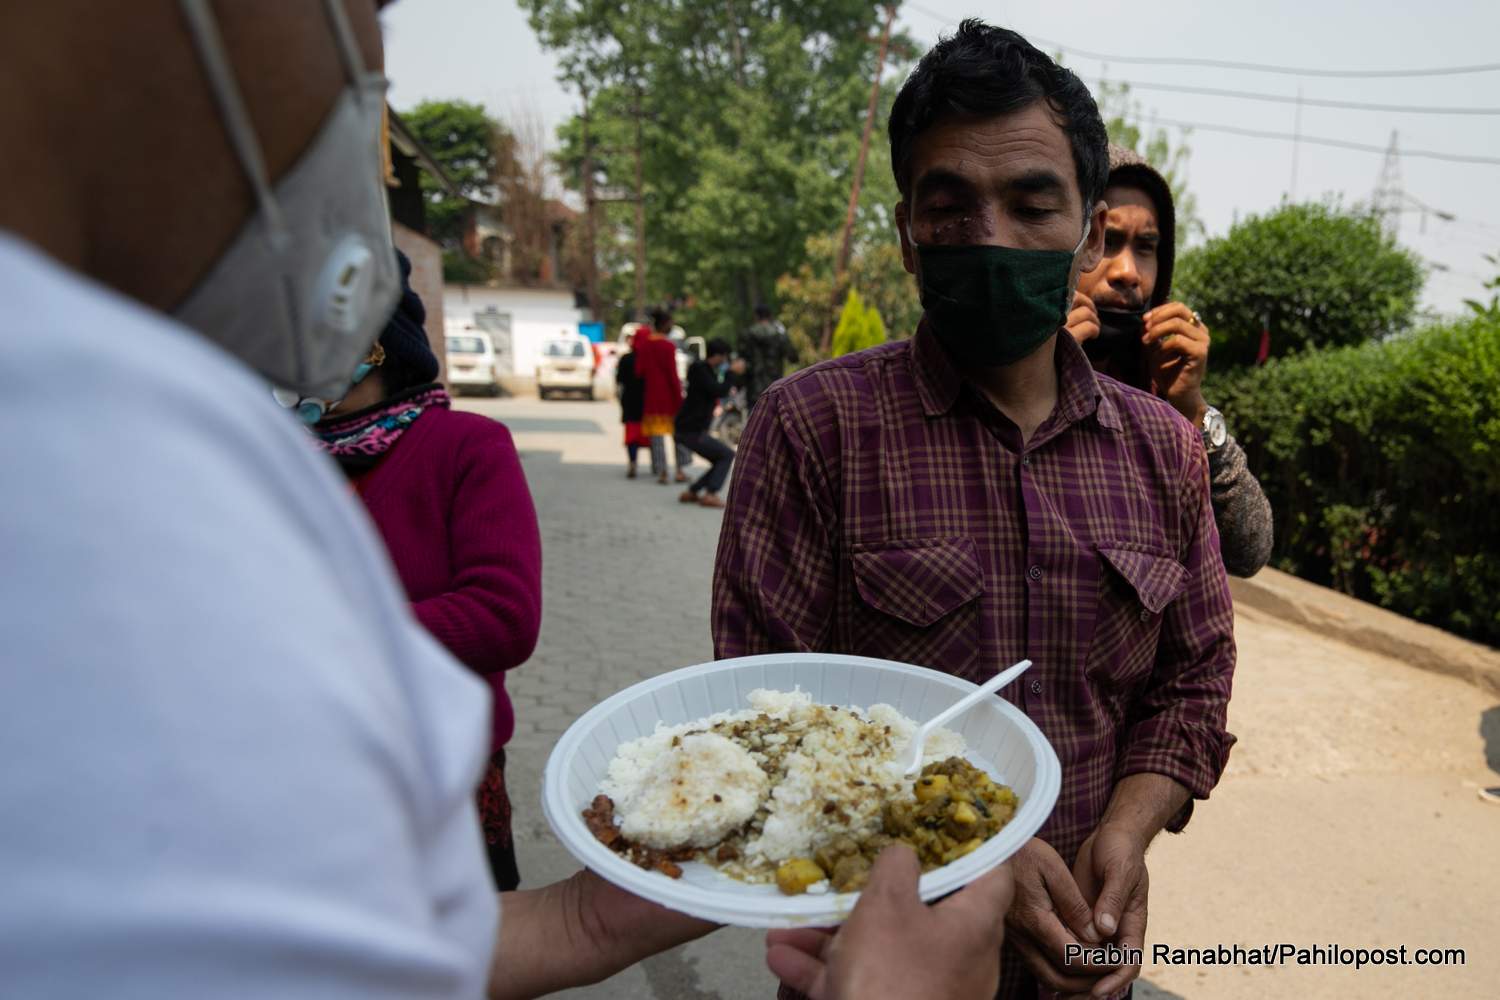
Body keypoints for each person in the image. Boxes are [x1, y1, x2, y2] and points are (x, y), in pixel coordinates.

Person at [0, 4, 1016, 998]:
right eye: (372, 5)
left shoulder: (163, 439)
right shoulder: (94, 463)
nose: (372, 54)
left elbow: (297, 949)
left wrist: (582, 918)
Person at [713, 21, 1237, 1000]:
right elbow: (762, 716)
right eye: (948, 203)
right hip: (874, 968)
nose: (989, 237)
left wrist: (1125, 833)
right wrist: (980, 851)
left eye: (1033, 203)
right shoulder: (810, 431)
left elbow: (1194, 680)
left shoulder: (1166, 450)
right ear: (908, 232)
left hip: (1088, 949)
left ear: (1084, 232)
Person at [312, 251, 541, 892]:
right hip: (309, 772)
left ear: (376, 344)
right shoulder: (280, 458)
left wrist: (323, 632)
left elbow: (505, 617)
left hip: (440, 774)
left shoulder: (466, 446)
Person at [1067, 145, 1274, 577]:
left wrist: (1192, 409)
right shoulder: (1001, 365)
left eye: (1146, 247)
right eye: (1104, 241)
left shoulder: (1159, 392)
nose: (1127, 271)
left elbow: (1249, 550)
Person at [675, 337, 746, 509]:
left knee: (720, 458)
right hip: (690, 430)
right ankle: (710, 494)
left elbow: (721, 388)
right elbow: (719, 390)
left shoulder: (706, 370)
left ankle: (694, 490)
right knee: (727, 455)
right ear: (719, 356)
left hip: (692, 429)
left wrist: (732, 374)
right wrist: (731, 372)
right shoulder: (700, 369)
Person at [635, 308, 685, 484]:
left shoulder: (645, 345)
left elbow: (639, 370)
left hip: (651, 396)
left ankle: (662, 471)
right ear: (664, 324)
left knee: (657, 437)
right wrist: (679, 397)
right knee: (677, 435)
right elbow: (672, 375)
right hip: (669, 398)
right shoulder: (668, 346)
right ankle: (680, 470)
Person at [741, 303, 795, 408]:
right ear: (770, 316)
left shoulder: (747, 334)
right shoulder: (779, 334)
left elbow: (741, 361)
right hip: (775, 386)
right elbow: (793, 357)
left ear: (756, 316)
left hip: (754, 388)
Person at [616, 330, 649, 478]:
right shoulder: (650, 360)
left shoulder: (626, 358)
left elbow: (620, 380)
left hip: (629, 401)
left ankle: (632, 462)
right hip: (647, 402)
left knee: (632, 434)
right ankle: (658, 466)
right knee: (651, 435)